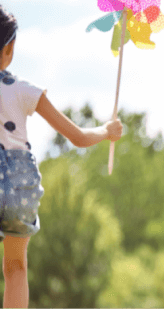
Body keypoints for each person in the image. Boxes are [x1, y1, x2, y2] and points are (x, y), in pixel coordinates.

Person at [0, 5, 123, 308]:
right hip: (19, 187)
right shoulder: (24, 90)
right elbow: (78, 137)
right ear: (8, 49)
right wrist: (107, 130)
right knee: (16, 268)